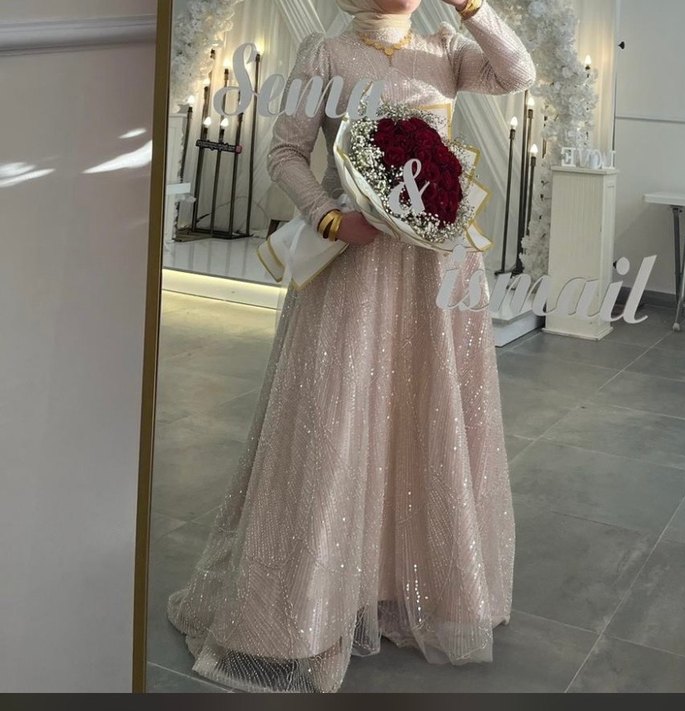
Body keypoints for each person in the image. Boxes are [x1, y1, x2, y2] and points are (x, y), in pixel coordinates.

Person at [167, 0, 535, 693]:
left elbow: (518, 72)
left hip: (438, 263)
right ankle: (310, 606)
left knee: (424, 410)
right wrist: (329, 216)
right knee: (335, 415)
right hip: (355, 263)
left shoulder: (446, 48)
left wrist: (474, 8)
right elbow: (284, 150)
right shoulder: (326, 54)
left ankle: (403, 585)